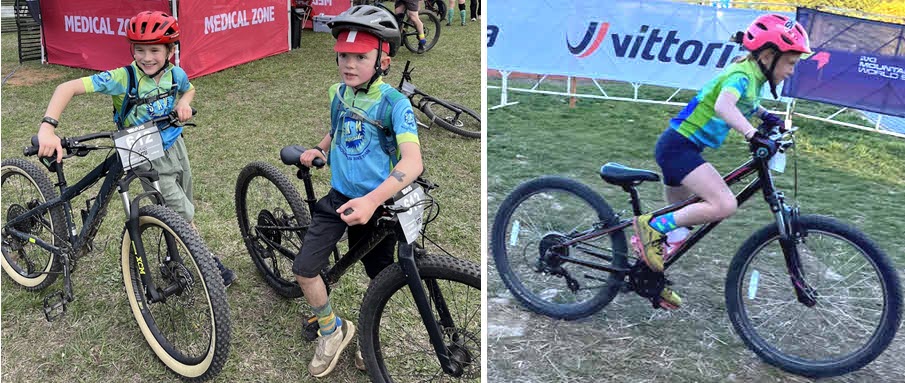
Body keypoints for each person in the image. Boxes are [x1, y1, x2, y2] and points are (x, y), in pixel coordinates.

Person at [35, 10, 236, 287]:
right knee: (180, 211)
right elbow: (67, 87)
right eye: (139, 50)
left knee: (183, 202)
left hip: (175, 145)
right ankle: (207, 261)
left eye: (155, 50)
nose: (147, 57)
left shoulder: (175, 74)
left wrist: (183, 103)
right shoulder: (123, 77)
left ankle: (173, 253)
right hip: (142, 152)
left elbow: (188, 89)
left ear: (170, 50)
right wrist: (48, 127)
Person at [634, 14, 810, 309]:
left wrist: (766, 117)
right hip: (679, 147)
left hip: (681, 147)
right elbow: (724, 105)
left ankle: (648, 276)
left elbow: (746, 103)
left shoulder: (751, 76)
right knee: (724, 204)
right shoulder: (741, 75)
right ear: (768, 55)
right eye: (790, 63)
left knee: (679, 232)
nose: (792, 71)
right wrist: (752, 133)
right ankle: (650, 225)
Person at [293, 4, 423, 377]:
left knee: (379, 277)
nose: (349, 64)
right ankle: (332, 329)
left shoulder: (394, 103)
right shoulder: (338, 92)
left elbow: (413, 162)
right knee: (305, 269)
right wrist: (319, 148)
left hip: (376, 207)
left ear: (383, 60)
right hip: (338, 199)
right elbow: (336, 129)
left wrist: (372, 200)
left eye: (360, 57)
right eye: (343, 56)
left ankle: (368, 332)